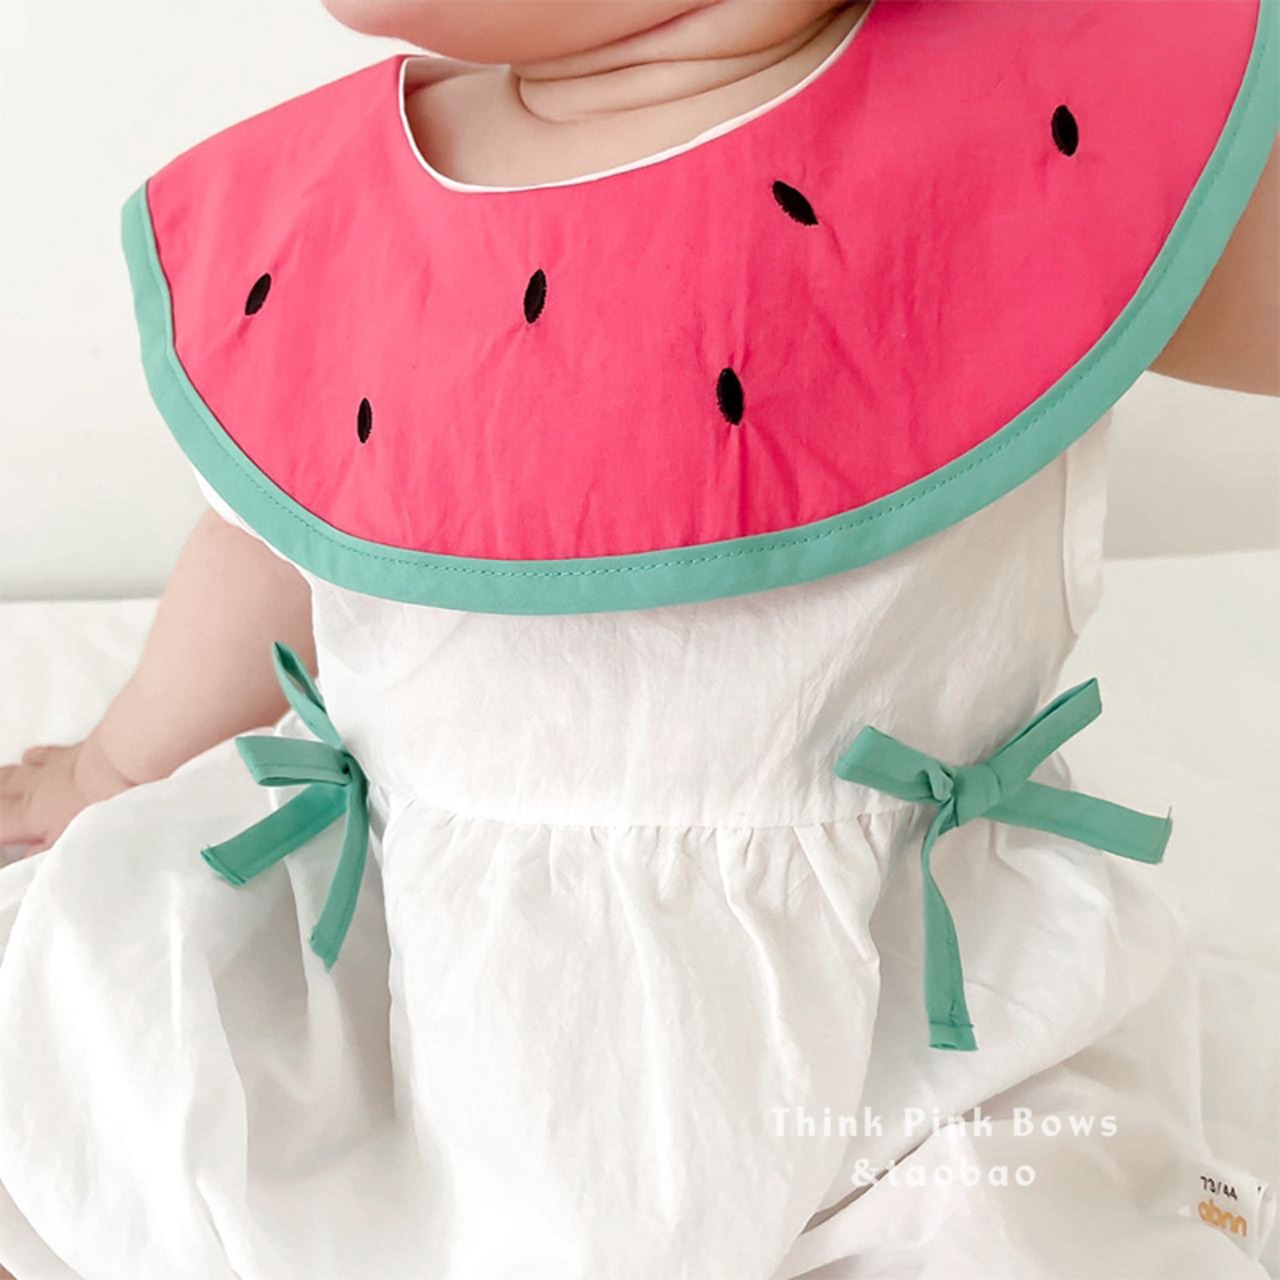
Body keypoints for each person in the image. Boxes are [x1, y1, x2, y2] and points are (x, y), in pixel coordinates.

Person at [1, 1, 1277, 1275]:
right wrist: (117, 768)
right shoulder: (323, 204)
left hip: (911, 1020)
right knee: (134, 1052)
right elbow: (271, 540)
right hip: (423, 999)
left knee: (1008, 1226)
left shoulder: (1033, 113)